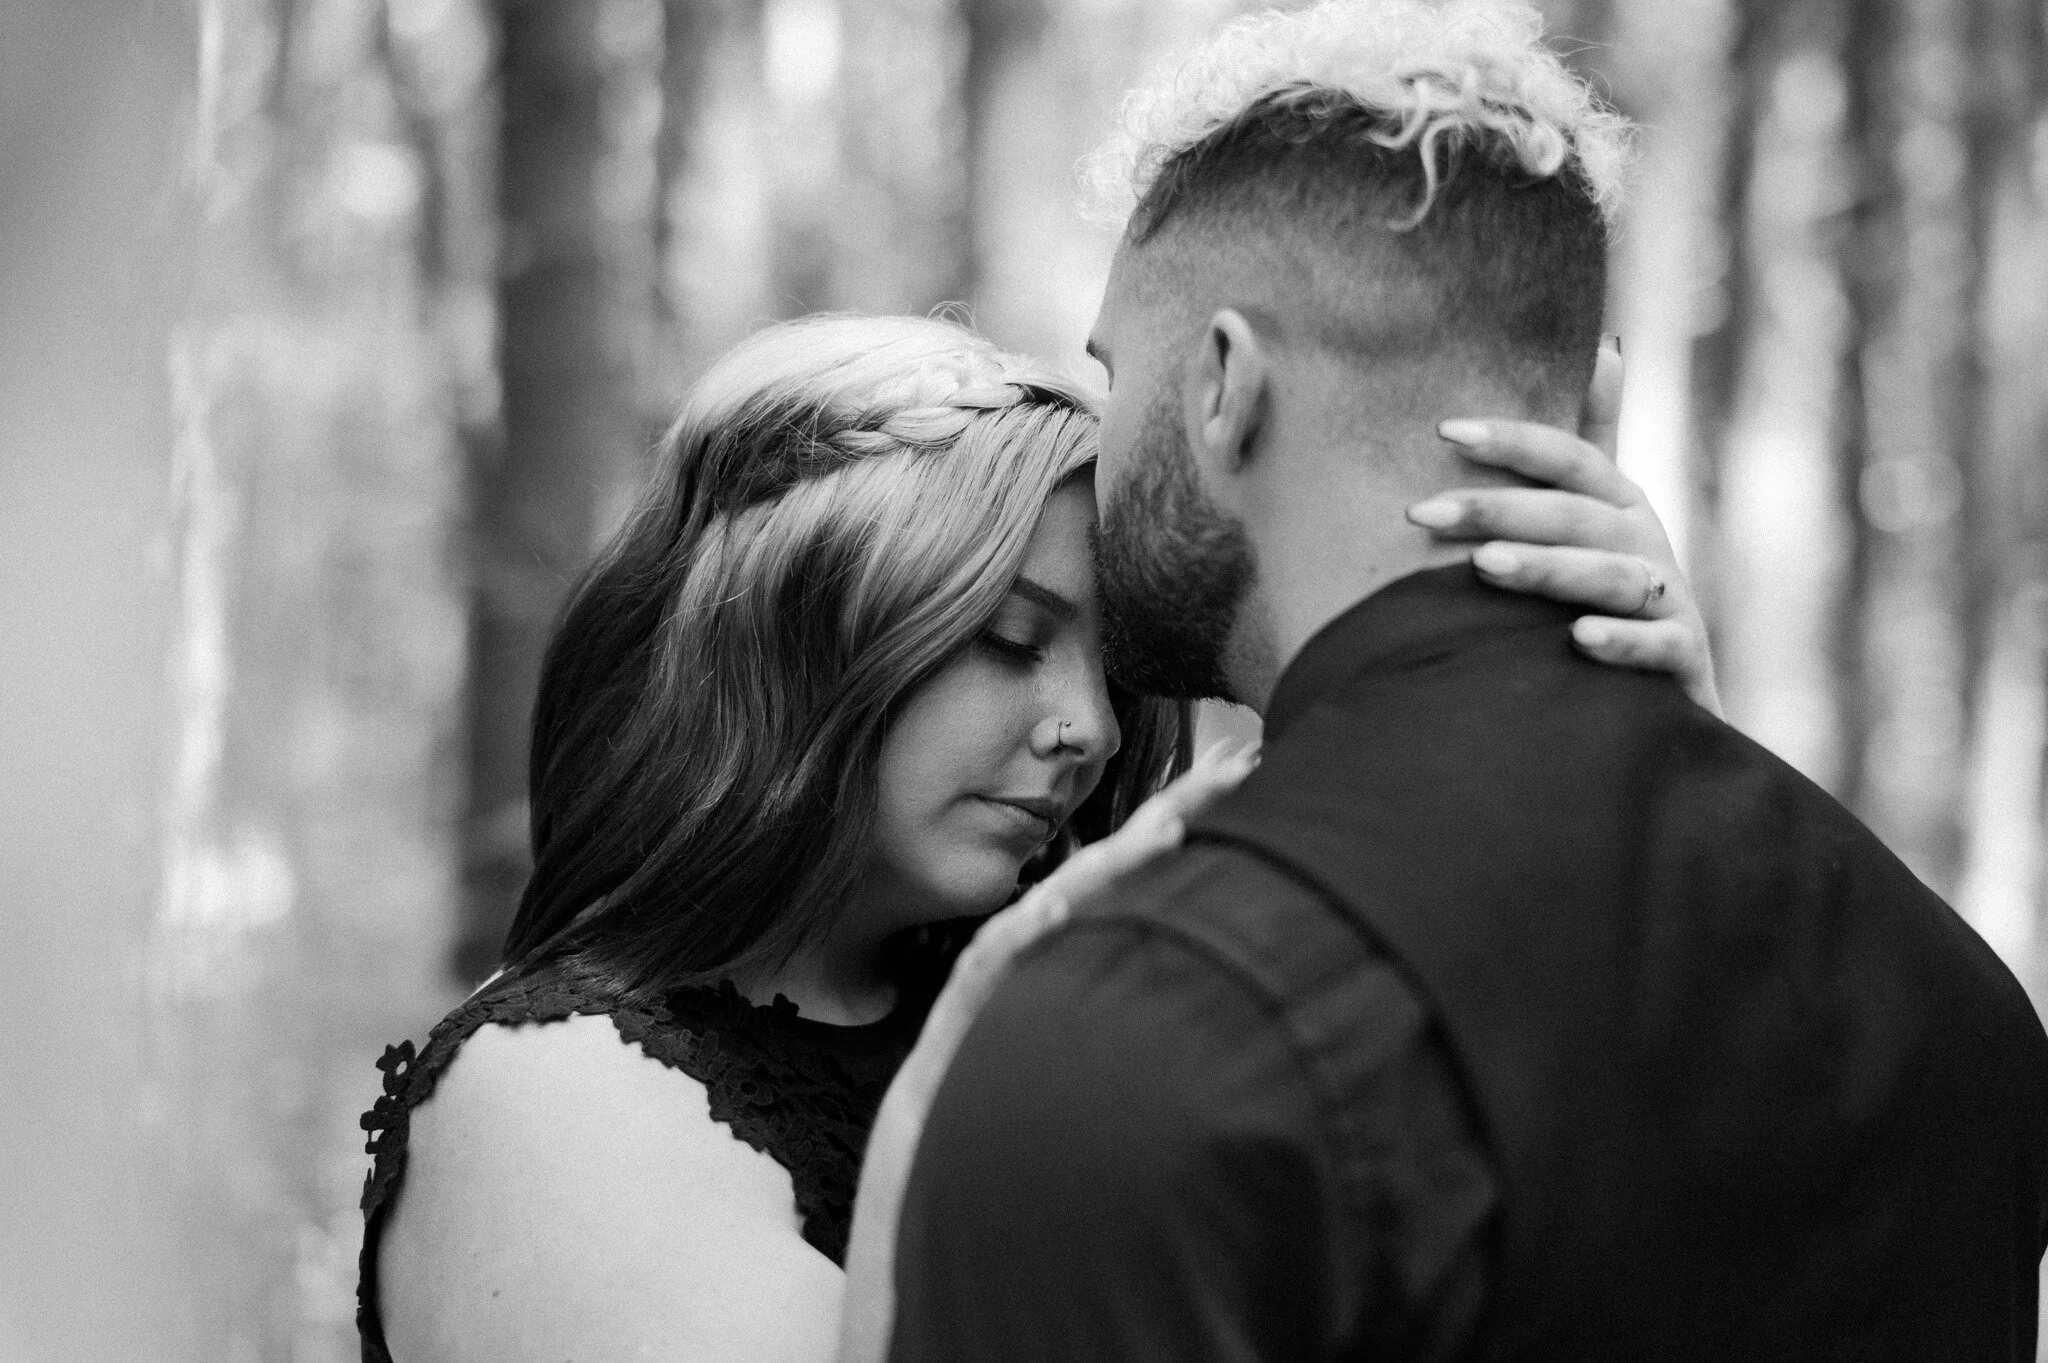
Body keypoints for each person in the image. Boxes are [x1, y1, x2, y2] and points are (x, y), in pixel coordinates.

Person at [863, 3, 2048, 1360]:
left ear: (1223, 384)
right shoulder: (1951, 996)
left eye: (1115, 371)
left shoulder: (1154, 1021)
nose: (1098, 443)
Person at [354, 305, 1712, 1362]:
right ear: (799, 635)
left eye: (1111, 677)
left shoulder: (1080, 1025)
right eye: (1010, 641)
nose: (1091, 731)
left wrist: (1640, 770)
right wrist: (1010, 1012)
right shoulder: (549, 1096)